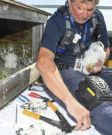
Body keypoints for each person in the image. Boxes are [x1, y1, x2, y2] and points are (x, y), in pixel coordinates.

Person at [36, 0, 112, 134]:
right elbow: (43, 62)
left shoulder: (97, 17)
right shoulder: (56, 21)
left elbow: (106, 49)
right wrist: (70, 102)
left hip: (88, 68)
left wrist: (100, 61)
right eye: (80, 8)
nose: (84, 15)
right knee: (96, 101)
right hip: (65, 71)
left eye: (90, 10)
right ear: (69, 1)